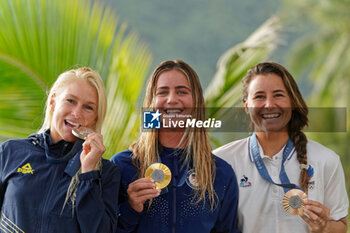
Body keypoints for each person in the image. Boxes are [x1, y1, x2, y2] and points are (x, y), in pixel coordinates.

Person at [213, 62, 348, 233]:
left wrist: (324, 227)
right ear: (246, 105)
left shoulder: (325, 160)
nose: (269, 104)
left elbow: (341, 226)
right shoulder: (221, 161)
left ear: (292, 101)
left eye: (278, 95)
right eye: (259, 96)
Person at [110, 60, 240, 233]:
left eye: (182, 91)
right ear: (151, 104)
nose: (171, 100)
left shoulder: (220, 173)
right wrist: (131, 209)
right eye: (162, 92)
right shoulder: (123, 166)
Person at [0, 67, 120, 232]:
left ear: (95, 119)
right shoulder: (11, 152)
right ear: (53, 102)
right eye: (70, 101)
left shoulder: (106, 173)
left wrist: (88, 174)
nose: (76, 113)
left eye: (88, 107)